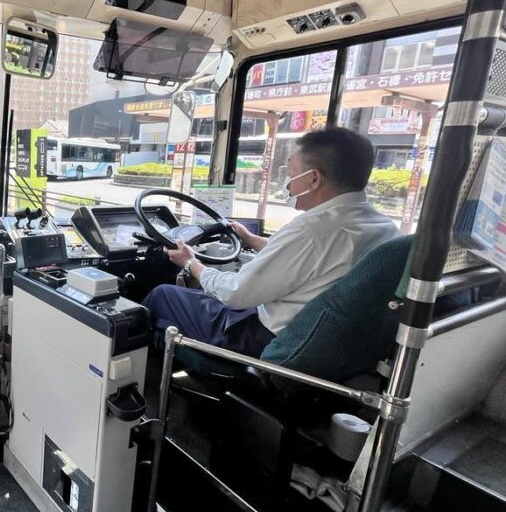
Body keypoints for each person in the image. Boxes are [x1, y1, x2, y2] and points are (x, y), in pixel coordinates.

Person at [144, 127, 398, 358]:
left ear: (313, 179)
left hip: (268, 339)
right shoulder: (382, 227)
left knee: (164, 294)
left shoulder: (310, 230)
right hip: (328, 344)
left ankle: (145, 379)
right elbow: (315, 261)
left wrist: (191, 263)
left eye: (291, 175)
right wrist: (252, 239)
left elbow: (235, 293)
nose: (287, 185)